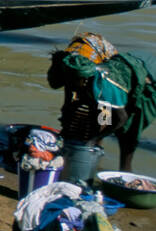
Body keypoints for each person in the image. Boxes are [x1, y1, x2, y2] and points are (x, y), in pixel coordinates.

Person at [48, 34, 155, 172]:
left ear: (83, 81)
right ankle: (92, 161)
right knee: (99, 117)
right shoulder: (70, 68)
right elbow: (69, 104)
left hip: (149, 79)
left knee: (128, 133)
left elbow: (121, 117)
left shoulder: (103, 85)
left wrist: (96, 137)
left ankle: (125, 172)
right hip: (128, 67)